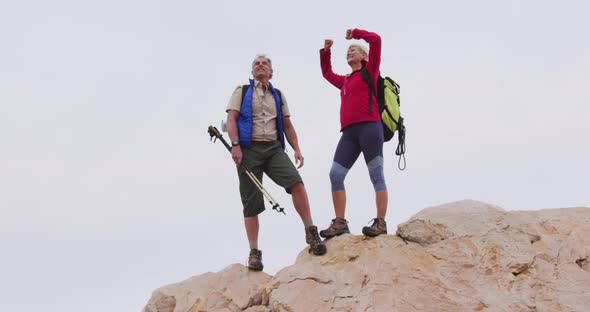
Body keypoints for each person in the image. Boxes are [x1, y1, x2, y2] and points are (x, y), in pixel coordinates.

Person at [225, 54, 327, 271]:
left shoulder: (278, 95)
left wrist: (297, 149)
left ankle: (311, 231)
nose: (260, 66)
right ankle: (254, 251)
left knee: (296, 182)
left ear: (271, 72)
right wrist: (235, 145)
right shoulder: (242, 91)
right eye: (256, 64)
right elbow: (231, 118)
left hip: (273, 148)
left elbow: (288, 125)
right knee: (250, 202)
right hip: (248, 149)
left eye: (265, 64)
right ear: (252, 72)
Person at [319, 28, 388, 238]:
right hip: (349, 133)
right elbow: (327, 74)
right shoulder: (346, 80)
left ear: (364, 56)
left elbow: (376, 39)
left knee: (376, 175)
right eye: (348, 50)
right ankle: (340, 222)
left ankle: (381, 223)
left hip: (370, 128)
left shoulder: (370, 72)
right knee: (335, 175)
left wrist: (356, 34)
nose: (349, 52)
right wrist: (326, 51)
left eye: (354, 50)